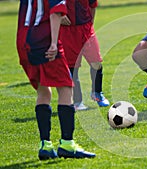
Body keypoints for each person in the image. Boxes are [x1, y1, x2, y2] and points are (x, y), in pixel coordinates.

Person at [16, 0, 95, 160]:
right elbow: (55, 10)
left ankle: (45, 146)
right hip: (43, 41)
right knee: (66, 87)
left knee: (43, 91)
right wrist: (53, 43)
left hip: (23, 41)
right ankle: (67, 144)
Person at [60, 0, 109, 110]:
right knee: (73, 67)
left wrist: (90, 24)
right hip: (67, 31)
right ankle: (77, 101)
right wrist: (59, 15)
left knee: (96, 62)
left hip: (86, 29)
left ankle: (97, 93)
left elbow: (92, 5)